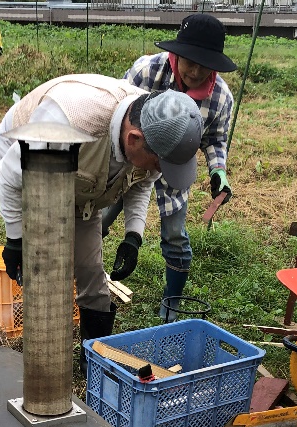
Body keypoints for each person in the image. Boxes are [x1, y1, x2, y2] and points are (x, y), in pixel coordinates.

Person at [0, 75, 203, 357]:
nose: (159, 170)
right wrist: (16, 239)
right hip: (29, 168)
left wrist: (133, 236)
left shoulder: (154, 125)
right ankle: (46, 352)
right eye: (158, 163)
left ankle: (93, 359)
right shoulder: (69, 120)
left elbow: (141, 180)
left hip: (86, 186)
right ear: (133, 139)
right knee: (46, 267)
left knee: (91, 271)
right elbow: (9, 174)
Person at [101, 14, 236, 318]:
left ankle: (171, 302)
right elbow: (117, 115)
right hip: (133, 157)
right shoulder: (147, 71)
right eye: (190, 61)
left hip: (176, 167)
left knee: (175, 235)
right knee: (100, 217)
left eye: (205, 64)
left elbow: (215, 138)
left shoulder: (220, 97)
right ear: (177, 53)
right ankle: (87, 275)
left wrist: (219, 171)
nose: (196, 71)